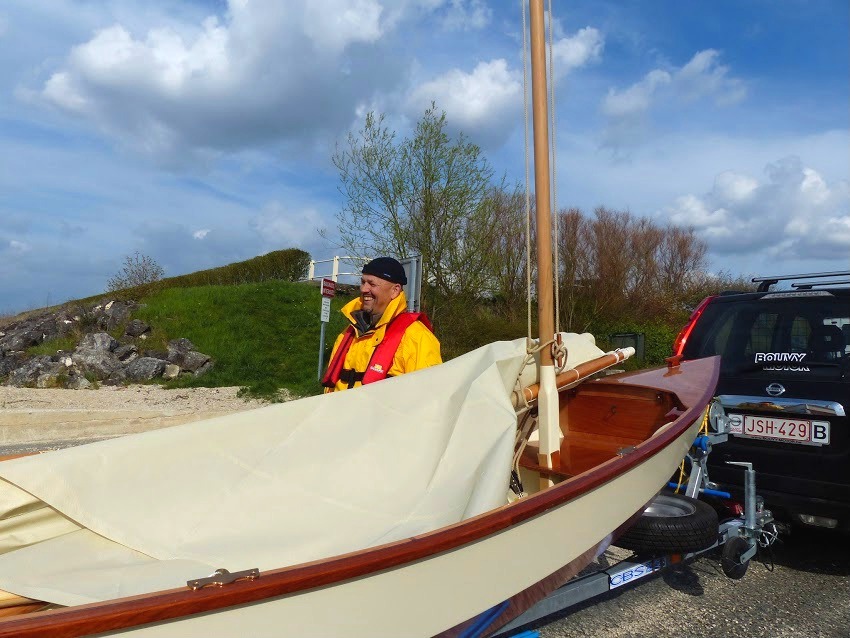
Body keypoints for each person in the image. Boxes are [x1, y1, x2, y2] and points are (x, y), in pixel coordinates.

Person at [322, 257, 441, 392]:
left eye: (372, 284)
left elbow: (428, 397)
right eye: (363, 282)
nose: (363, 289)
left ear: (395, 290)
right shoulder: (348, 334)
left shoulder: (417, 337)